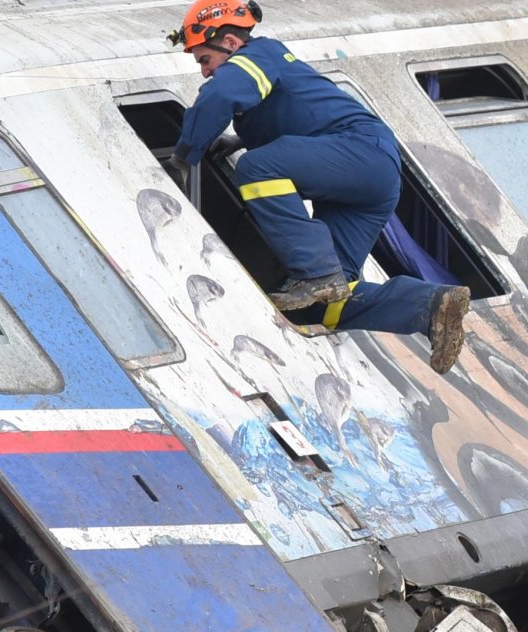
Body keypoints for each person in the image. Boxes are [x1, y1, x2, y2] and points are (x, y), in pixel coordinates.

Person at [165, 0, 468, 374]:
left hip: (358, 152)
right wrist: (238, 139)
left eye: (204, 60)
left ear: (229, 42)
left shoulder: (256, 55)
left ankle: (314, 271)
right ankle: (431, 304)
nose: (205, 73)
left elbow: (221, 97)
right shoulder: (266, 65)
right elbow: (301, 114)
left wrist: (185, 152)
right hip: (370, 174)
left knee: (257, 169)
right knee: (329, 303)